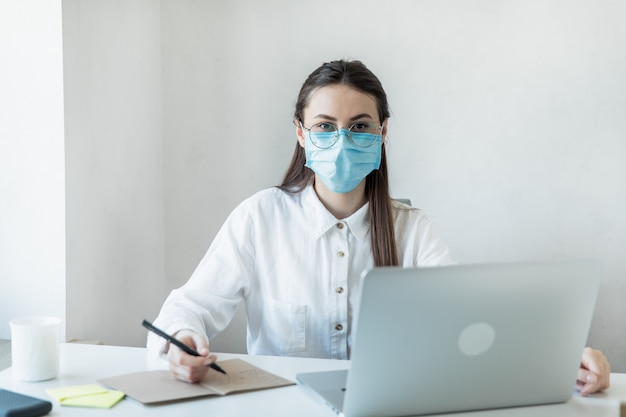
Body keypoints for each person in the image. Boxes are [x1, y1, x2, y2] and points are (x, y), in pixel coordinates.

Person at [147, 59, 610, 395]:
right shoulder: (258, 218)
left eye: (360, 126)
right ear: (301, 132)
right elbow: (188, 309)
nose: (342, 140)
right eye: (325, 126)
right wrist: (182, 343)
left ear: (383, 132)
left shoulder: (412, 230)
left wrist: (565, 357)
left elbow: (472, 320)